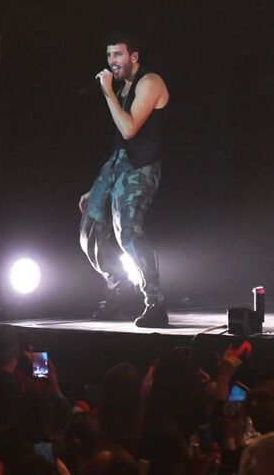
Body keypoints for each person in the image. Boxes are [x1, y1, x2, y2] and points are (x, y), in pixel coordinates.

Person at [79, 32, 169, 328]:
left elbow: (129, 129)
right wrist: (96, 189)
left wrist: (107, 91)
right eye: (109, 56)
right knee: (89, 230)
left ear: (134, 57)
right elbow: (118, 142)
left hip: (139, 167)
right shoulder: (123, 89)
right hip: (116, 164)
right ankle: (120, 292)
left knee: (128, 233)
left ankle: (155, 303)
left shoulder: (150, 82)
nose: (112, 62)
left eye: (118, 55)